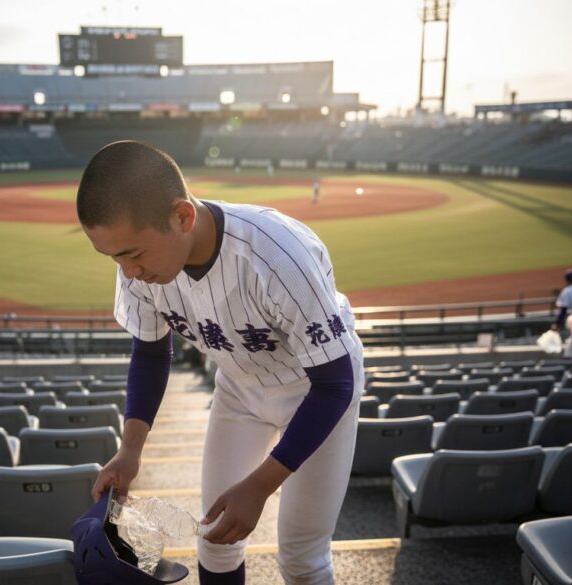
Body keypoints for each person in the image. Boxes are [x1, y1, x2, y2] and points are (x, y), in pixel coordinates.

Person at [76, 141, 363, 585]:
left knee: (302, 558)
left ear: (183, 216)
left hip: (316, 392)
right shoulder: (140, 269)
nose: (128, 271)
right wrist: (131, 450)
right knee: (215, 538)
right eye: (114, 257)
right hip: (239, 384)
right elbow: (151, 353)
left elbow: (335, 383)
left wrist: (261, 485)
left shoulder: (277, 255)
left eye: (132, 254)